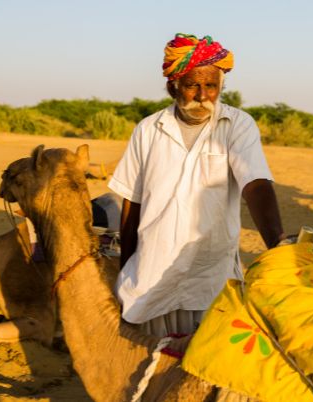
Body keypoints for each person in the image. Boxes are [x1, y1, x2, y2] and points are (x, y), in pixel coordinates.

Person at [108, 33, 288, 337]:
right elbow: (132, 202)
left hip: (209, 278)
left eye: (211, 86)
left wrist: (279, 244)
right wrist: (126, 268)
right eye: (193, 85)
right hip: (152, 276)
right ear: (173, 86)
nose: (203, 95)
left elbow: (255, 183)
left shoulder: (237, 125)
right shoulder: (148, 130)